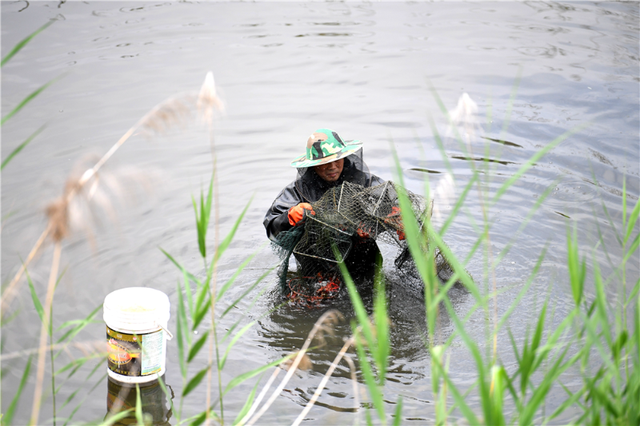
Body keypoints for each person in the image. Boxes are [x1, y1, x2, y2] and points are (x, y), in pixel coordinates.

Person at [263, 128, 386, 282]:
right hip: (319, 273)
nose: (332, 167)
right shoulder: (296, 192)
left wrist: (382, 222)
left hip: (366, 265)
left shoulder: (365, 182)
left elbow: (392, 204)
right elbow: (271, 225)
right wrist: (289, 217)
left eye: (337, 159)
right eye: (325, 162)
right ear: (313, 164)